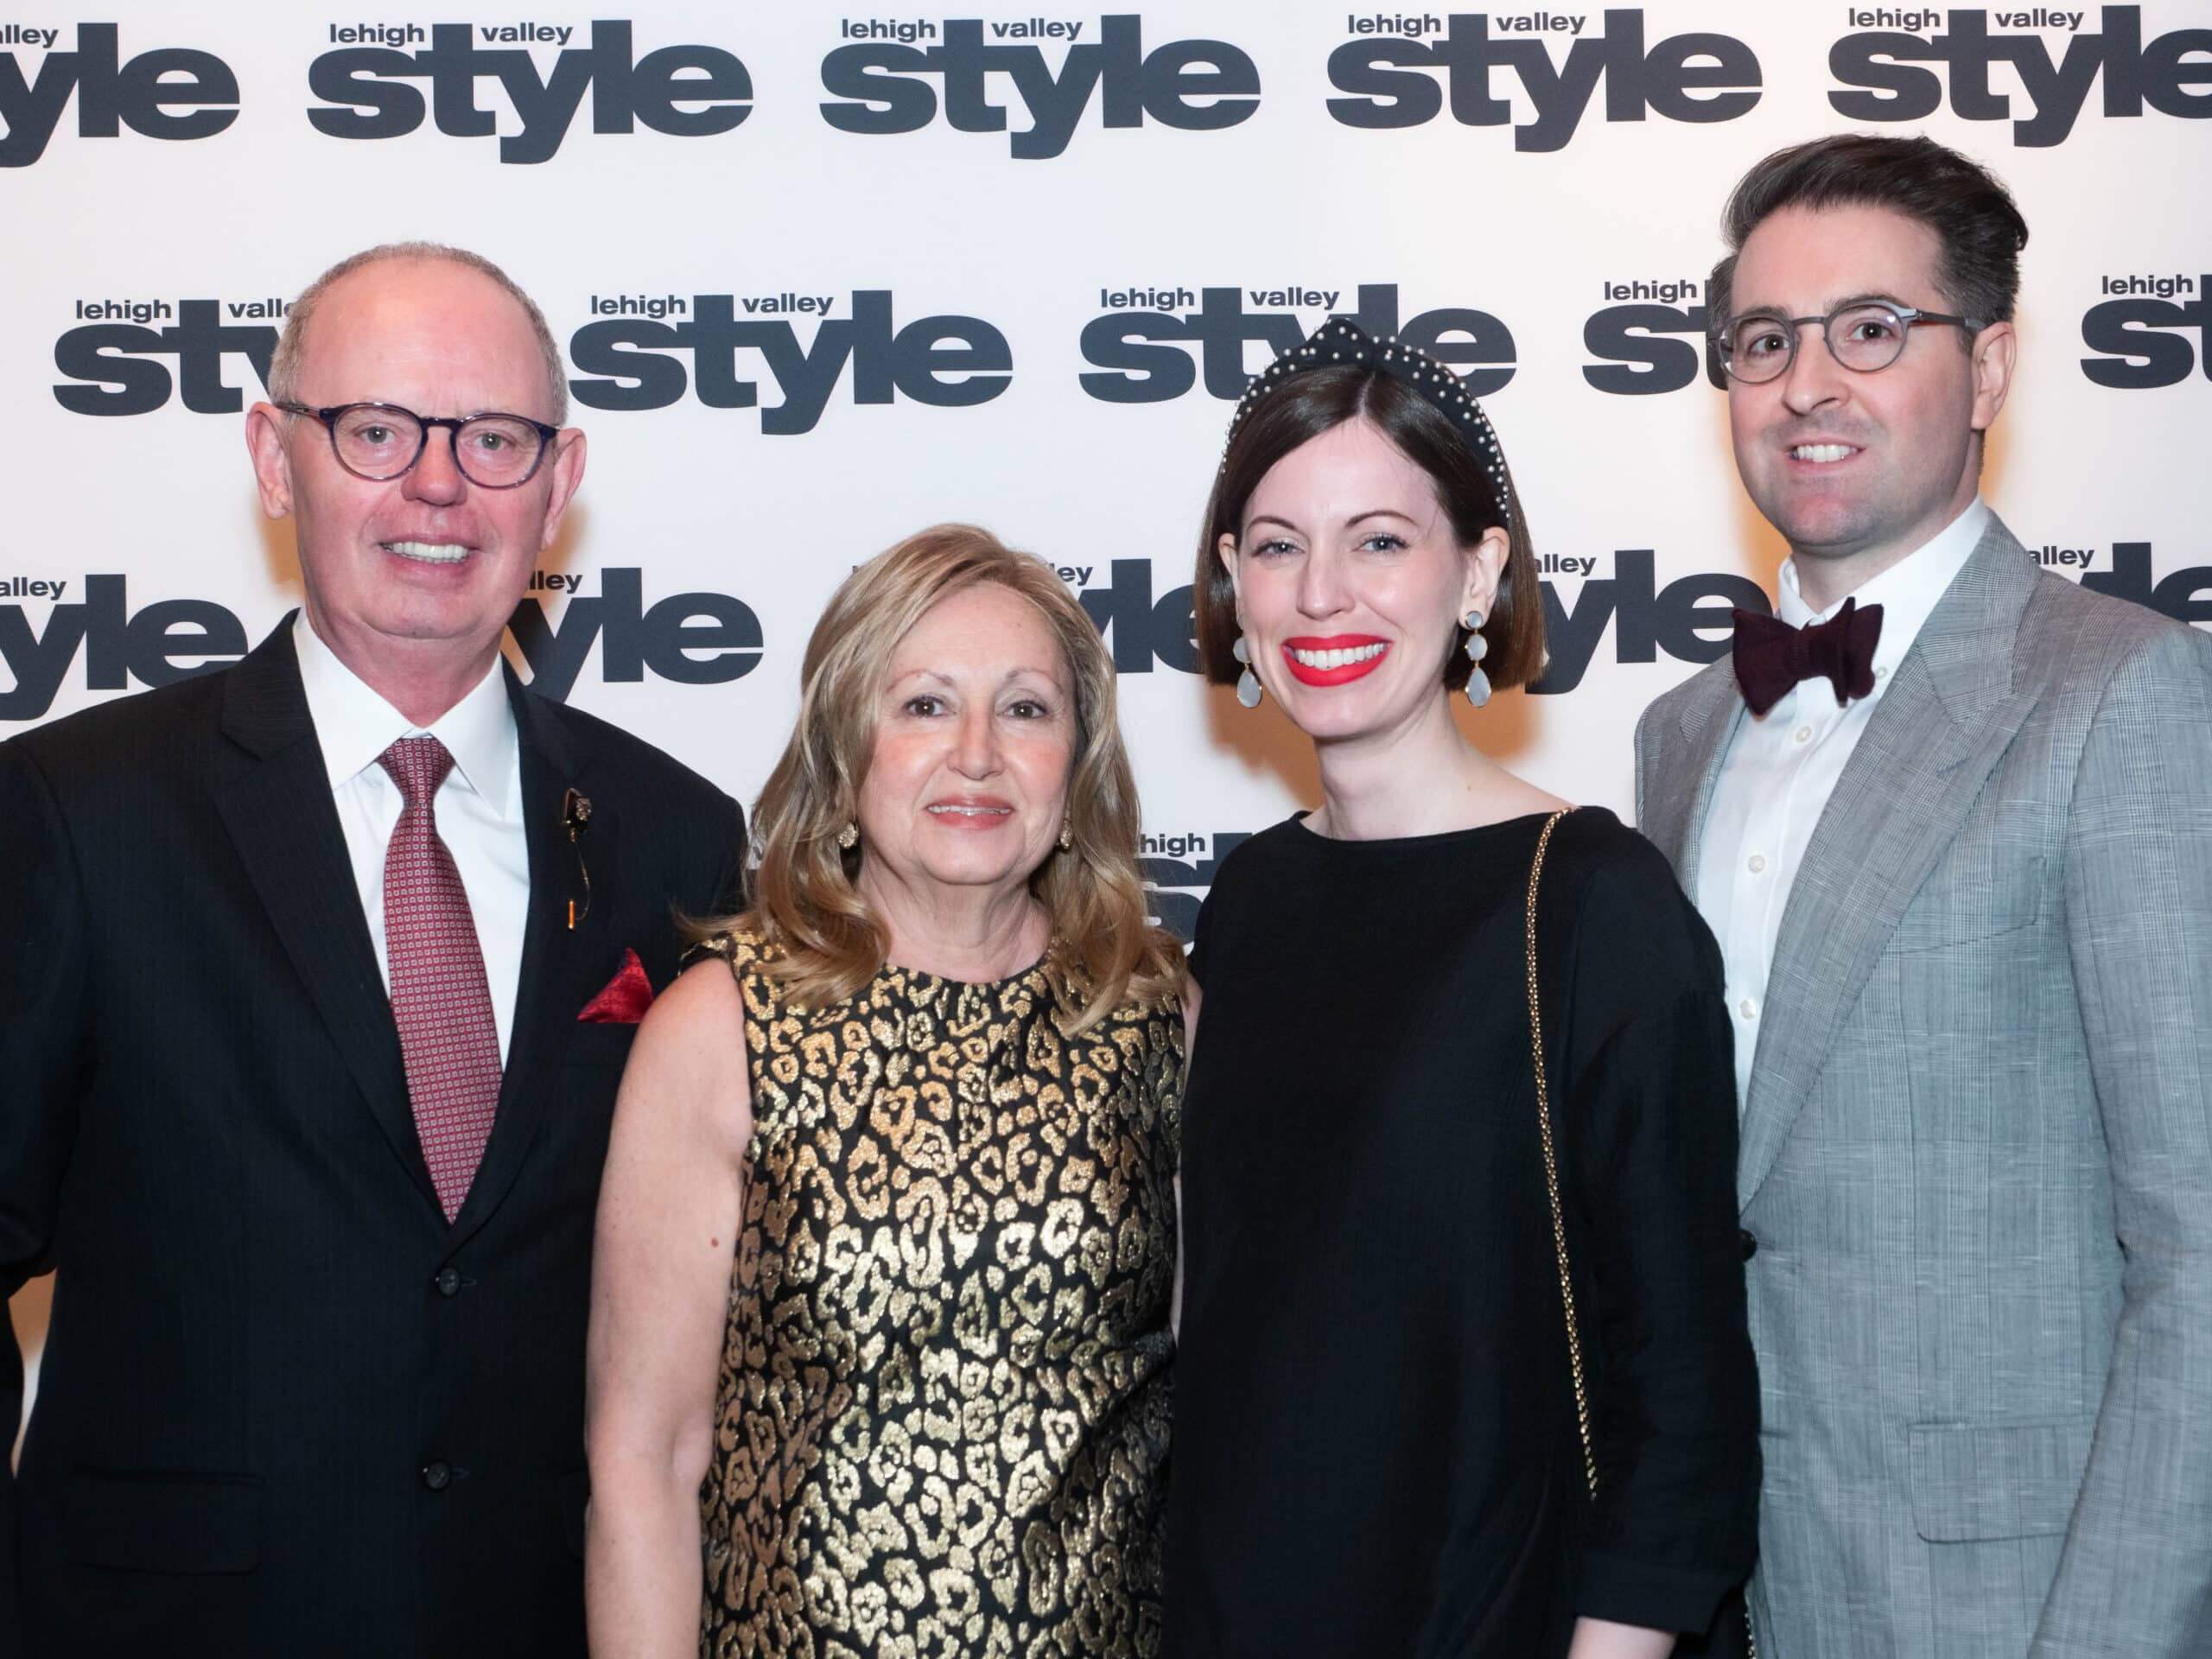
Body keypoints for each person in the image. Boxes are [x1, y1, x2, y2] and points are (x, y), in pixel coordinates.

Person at [0, 243, 744, 1657]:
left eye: (495, 438)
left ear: (559, 482)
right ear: (277, 461)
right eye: (378, 430)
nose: (438, 484)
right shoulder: (77, 814)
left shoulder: (674, 841)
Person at [1635, 133, 2212, 1657]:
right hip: (1722, 1584)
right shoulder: (1682, 733)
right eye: (1765, 342)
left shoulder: (2120, 694)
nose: (1806, 385)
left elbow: (2199, 1248)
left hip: (2005, 1600)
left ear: (1992, 367)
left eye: (1871, 331)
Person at [1162, 318, 1759, 1659]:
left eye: (1380, 540)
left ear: (1478, 573)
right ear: (1231, 585)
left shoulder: (1597, 907)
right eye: (1276, 545)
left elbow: (1688, 1387)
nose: (1322, 594)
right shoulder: (1249, 904)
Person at [583, 524, 1186, 1658]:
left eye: (1025, 709)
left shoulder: (1158, 1015)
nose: (976, 754)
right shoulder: (720, 1029)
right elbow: (644, 1464)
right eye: (922, 706)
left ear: (1079, 760)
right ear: (844, 752)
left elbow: (1233, 1428)